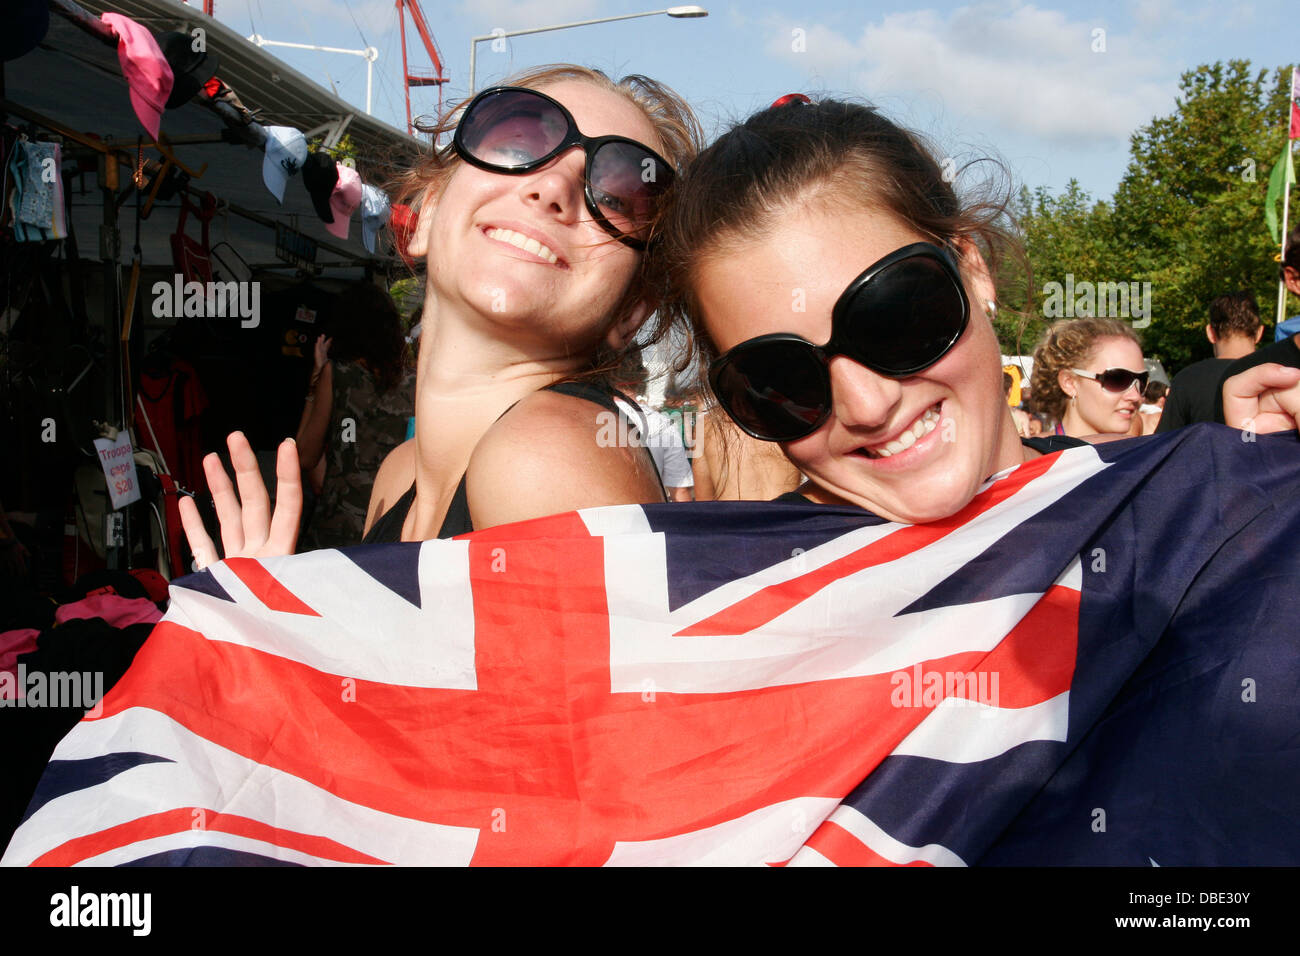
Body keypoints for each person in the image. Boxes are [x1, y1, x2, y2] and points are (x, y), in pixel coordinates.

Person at [179, 65, 702, 561]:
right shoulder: (398, 474)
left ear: (633, 309)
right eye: (519, 142)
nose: (552, 189)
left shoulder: (545, 458)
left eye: (617, 195)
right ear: (427, 213)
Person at [295, 282, 416, 551]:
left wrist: (314, 383)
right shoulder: (415, 385)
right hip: (393, 525)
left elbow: (305, 456)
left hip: (337, 528)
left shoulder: (338, 375)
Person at [1155, 291, 1262, 432]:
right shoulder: (1281, 378)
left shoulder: (1187, 379)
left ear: (1210, 333)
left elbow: (1164, 443)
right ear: (1259, 333)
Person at [1029, 318, 1146, 441]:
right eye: (1117, 379)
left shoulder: (1148, 457)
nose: (1136, 396)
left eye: (1142, 380)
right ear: (1069, 383)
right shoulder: (1033, 457)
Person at [690, 407, 803, 501]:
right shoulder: (792, 418)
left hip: (736, 521)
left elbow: (704, 500)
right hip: (786, 519)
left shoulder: (706, 424)